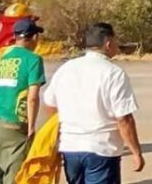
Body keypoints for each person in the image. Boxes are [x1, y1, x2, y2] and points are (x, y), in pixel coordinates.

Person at [42, 23, 143, 184]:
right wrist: (136, 152)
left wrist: (61, 128)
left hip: (70, 147)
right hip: (101, 149)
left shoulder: (66, 69)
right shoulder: (113, 73)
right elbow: (124, 119)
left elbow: (49, 103)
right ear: (108, 43)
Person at [0, 18, 46, 184]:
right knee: (15, 176)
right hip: (14, 124)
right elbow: (33, 96)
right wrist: (32, 127)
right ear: (33, 38)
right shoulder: (33, 60)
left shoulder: (2, 60)